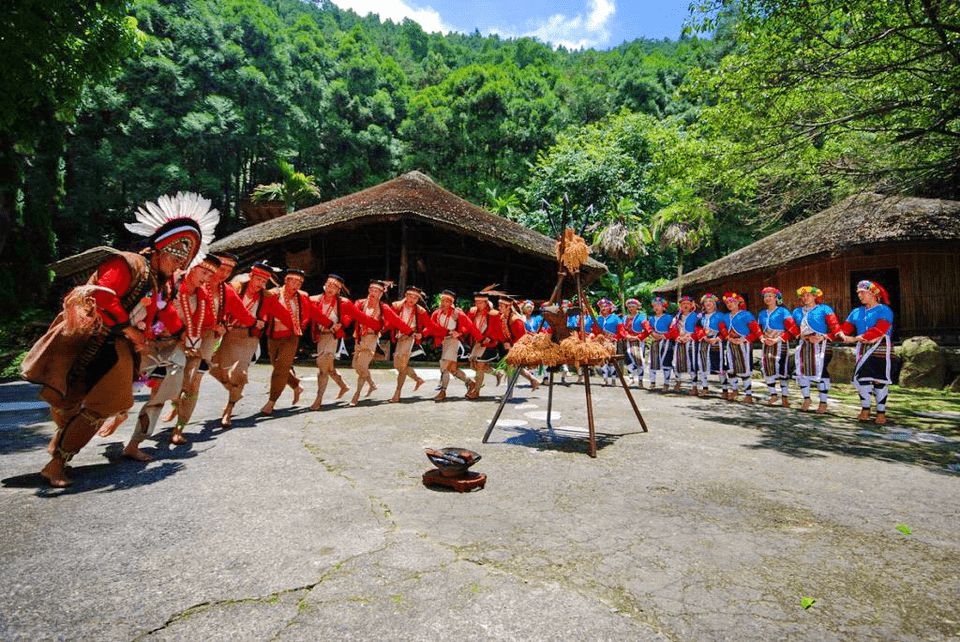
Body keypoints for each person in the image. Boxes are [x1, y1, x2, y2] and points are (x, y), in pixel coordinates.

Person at [21, 192, 217, 486]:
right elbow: (102, 297)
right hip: (90, 342)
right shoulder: (127, 263)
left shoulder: (155, 282)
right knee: (70, 401)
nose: (179, 266)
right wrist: (131, 331)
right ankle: (59, 454)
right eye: (177, 257)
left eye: (183, 261)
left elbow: (165, 316)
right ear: (162, 248)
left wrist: (184, 335)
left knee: (109, 402)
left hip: (115, 349)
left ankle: (58, 458)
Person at [122, 254, 218, 460]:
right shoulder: (167, 284)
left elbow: (208, 320)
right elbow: (153, 306)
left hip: (175, 346)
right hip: (145, 341)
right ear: (191, 268)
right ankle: (117, 414)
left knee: (163, 390)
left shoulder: (203, 296)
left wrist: (213, 329)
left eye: (211, 274)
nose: (206, 277)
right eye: (204, 271)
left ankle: (134, 443)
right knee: (127, 385)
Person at [208, 262, 293, 427]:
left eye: (264, 281)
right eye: (258, 278)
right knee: (213, 367)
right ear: (251, 276)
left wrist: (296, 328)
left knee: (239, 371)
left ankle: (229, 409)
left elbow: (284, 314)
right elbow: (221, 307)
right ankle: (235, 391)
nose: (260, 283)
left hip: (249, 337)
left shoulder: (267, 297)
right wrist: (221, 323)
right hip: (229, 334)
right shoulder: (234, 288)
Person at [261, 269, 333, 415]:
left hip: (292, 337)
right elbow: (263, 309)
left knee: (280, 369)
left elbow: (314, 312)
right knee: (278, 366)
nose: (297, 284)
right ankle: (296, 386)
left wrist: (330, 324)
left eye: (300, 282)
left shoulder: (302, 297)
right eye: (294, 281)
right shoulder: (273, 294)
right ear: (286, 280)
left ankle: (271, 402)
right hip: (274, 336)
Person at [307, 274, 381, 410]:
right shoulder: (314, 300)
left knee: (323, 366)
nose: (331, 288)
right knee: (328, 367)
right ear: (325, 284)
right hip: (320, 337)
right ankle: (343, 386)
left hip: (333, 337)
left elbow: (359, 316)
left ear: (339, 289)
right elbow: (308, 315)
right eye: (329, 284)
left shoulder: (344, 303)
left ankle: (318, 399)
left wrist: (377, 326)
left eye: (335, 286)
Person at [348, 280, 415, 406]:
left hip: (371, 339)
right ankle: (372, 384)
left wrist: (410, 332)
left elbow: (397, 321)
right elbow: (350, 315)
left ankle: (355, 396)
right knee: (356, 366)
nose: (373, 293)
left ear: (381, 294)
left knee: (362, 366)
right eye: (372, 290)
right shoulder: (360, 303)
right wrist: (340, 324)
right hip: (358, 339)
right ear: (368, 290)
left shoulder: (383, 308)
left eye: (377, 291)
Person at [837, 280, 894, 424]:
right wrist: (843, 336)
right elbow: (845, 328)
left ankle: (881, 412)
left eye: (863, 292)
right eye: (858, 293)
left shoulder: (884, 310)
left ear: (873, 293)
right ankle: (865, 409)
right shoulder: (856, 312)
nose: (859, 295)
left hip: (880, 346)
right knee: (863, 378)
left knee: (879, 379)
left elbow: (880, 329)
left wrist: (856, 338)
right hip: (862, 347)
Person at [782, 286, 842, 413]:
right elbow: (791, 327)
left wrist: (824, 336)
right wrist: (799, 335)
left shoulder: (824, 309)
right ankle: (807, 399)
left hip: (822, 344)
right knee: (802, 370)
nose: (805, 298)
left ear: (815, 296)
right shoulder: (797, 311)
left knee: (822, 370)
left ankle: (823, 402)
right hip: (804, 345)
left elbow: (835, 326)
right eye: (803, 296)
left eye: (809, 295)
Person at [388, 286, 440, 403]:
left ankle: (397, 393)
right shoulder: (396, 305)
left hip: (410, 337)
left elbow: (430, 326)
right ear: (405, 295)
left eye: (415, 297)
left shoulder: (421, 311)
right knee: (398, 365)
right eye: (410, 296)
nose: (412, 299)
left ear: (418, 299)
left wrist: (422, 334)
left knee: (401, 364)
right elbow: (389, 319)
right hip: (398, 336)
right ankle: (418, 379)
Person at [430, 290, 481, 401]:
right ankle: (470, 383)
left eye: (447, 301)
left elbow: (469, 326)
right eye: (443, 300)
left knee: (444, 366)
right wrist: (419, 334)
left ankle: (442, 391)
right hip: (443, 342)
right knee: (452, 369)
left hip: (453, 341)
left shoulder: (457, 313)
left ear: (451, 302)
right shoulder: (436, 313)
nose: (444, 303)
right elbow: (430, 327)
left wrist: (460, 332)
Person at [490, 294, 540, 392]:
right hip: (510, 347)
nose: (499, 308)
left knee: (511, 369)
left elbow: (522, 338)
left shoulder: (516, 320)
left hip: (519, 347)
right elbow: (500, 332)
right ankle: (533, 380)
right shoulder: (502, 317)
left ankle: (509, 393)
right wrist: (503, 341)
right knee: (514, 368)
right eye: (499, 305)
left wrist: (512, 345)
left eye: (501, 306)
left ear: (508, 307)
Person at [720, 293, 762, 403]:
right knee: (730, 367)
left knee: (745, 368)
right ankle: (735, 390)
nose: (730, 304)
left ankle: (748, 394)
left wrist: (745, 339)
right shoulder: (726, 316)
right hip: (731, 344)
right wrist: (728, 337)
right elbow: (722, 328)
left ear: (738, 302)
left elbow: (755, 329)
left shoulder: (746, 314)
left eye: (732, 302)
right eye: (728, 302)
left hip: (743, 344)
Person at [757, 287, 795, 407]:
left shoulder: (783, 312)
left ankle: (784, 397)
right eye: (765, 296)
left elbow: (792, 329)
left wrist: (777, 339)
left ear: (776, 298)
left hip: (780, 342)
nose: (767, 298)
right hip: (767, 343)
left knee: (783, 369)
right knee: (767, 367)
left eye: (770, 296)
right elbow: (758, 329)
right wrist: (761, 338)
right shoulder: (762, 313)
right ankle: (773, 395)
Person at [466, 290, 504, 395]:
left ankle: (476, 391)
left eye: (481, 303)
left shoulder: (494, 314)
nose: (478, 305)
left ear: (486, 302)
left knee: (479, 366)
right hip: (477, 342)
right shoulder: (473, 312)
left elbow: (499, 330)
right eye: (477, 302)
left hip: (488, 343)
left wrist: (491, 338)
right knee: (473, 365)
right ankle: (497, 373)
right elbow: (468, 326)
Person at [693, 294, 728, 398]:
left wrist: (717, 339)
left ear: (715, 304)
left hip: (716, 341)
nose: (708, 304)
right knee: (702, 364)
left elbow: (724, 330)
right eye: (706, 302)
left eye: (711, 302)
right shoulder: (700, 316)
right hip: (704, 341)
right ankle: (704, 387)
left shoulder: (720, 316)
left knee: (719, 366)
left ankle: (725, 390)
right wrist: (704, 337)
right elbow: (698, 328)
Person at [638, 297, 674, 391]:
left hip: (666, 341)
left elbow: (673, 329)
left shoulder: (669, 318)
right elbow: (648, 329)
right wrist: (650, 334)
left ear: (664, 307)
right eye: (654, 306)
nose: (656, 308)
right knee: (652, 361)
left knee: (666, 361)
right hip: (654, 341)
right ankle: (652, 383)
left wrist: (663, 336)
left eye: (658, 305)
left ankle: (666, 384)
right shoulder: (651, 319)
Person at [669, 295, 701, 394]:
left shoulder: (696, 316)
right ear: (680, 306)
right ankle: (678, 381)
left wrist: (690, 336)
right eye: (683, 304)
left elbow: (699, 329)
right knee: (676, 362)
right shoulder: (677, 317)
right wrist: (677, 337)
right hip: (679, 341)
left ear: (692, 305)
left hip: (691, 341)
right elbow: (673, 329)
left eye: (687, 304)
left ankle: (694, 386)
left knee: (692, 363)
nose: (685, 306)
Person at [591, 298, 622, 386]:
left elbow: (621, 330)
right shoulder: (597, 319)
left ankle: (613, 379)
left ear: (609, 308)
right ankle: (604, 379)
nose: (603, 308)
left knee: (612, 360)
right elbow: (594, 331)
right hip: (601, 341)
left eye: (605, 306)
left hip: (612, 341)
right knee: (602, 360)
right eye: (601, 306)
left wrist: (615, 338)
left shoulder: (615, 318)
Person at [619, 298, 647, 388]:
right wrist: (626, 336)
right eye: (630, 307)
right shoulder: (625, 318)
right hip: (628, 340)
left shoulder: (642, 317)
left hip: (638, 341)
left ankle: (640, 380)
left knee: (639, 359)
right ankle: (631, 378)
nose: (631, 308)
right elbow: (621, 329)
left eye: (633, 307)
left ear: (637, 308)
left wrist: (638, 337)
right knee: (629, 359)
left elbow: (647, 329)